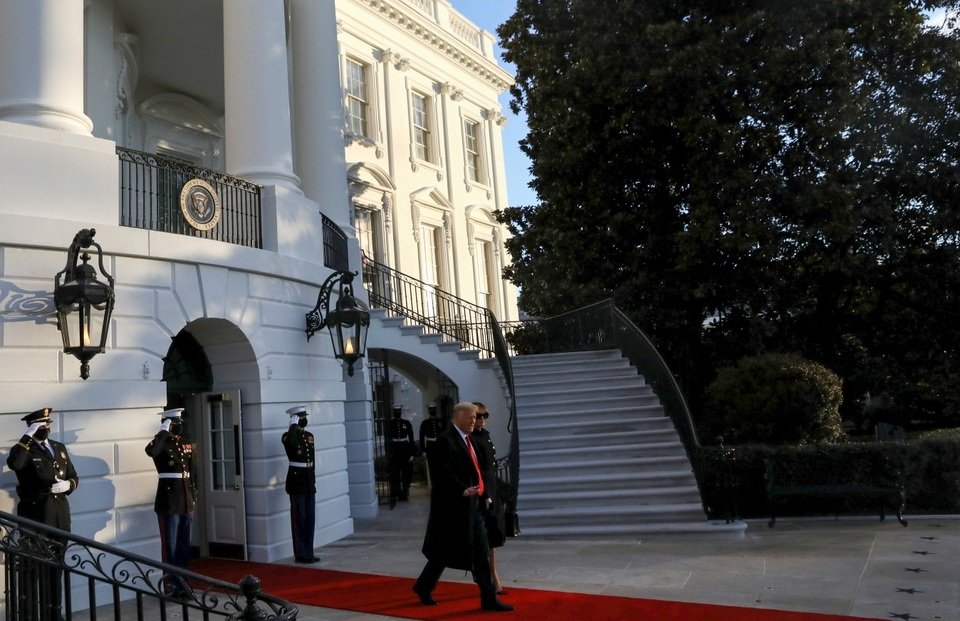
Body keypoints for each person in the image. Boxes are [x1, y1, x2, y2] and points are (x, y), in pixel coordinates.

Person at [413, 402, 513, 612]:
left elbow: (478, 470)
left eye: (475, 418)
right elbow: (442, 472)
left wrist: (484, 495)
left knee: (481, 552)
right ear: (458, 418)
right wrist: (461, 489)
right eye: (470, 418)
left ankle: (489, 599)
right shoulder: (444, 441)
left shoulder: (470, 440)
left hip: (474, 506)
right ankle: (424, 586)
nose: (474, 422)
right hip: (453, 510)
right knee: (442, 553)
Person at [7, 407, 78, 621]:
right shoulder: (24, 449)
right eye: (42, 424)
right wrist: (27, 436)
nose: (47, 427)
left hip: (59, 517)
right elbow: (15, 463)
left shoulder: (58, 447)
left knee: (56, 569)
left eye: (48, 423)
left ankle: (53, 614)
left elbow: (73, 475)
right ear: (33, 426)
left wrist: (68, 485)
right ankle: (29, 615)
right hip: (36, 517)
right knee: (31, 570)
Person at [145, 407, 196, 596]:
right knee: (171, 548)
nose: (179, 426)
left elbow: (191, 472)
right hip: (169, 501)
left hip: (185, 500)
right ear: (167, 423)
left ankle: (184, 584)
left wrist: (193, 496)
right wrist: (163, 431)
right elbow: (152, 451)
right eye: (175, 423)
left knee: (183, 547)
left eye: (180, 423)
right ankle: (171, 586)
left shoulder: (184, 443)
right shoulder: (160, 443)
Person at [472, 401, 507, 594]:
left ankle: (493, 576)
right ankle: (490, 578)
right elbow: (477, 469)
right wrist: (484, 493)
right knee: (483, 537)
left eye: (486, 416)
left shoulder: (485, 435)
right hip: (482, 489)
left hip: (492, 487)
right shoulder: (471, 438)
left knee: (492, 535)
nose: (483, 419)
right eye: (479, 416)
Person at [282, 405, 319, 563]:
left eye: (305, 416)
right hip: (297, 482)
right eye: (301, 417)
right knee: (299, 519)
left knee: (310, 518)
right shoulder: (287, 436)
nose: (305, 419)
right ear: (295, 418)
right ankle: (300, 553)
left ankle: (309, 552)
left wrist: (313, 479)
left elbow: (312, 460)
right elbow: (291, 442)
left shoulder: (309, 436)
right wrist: (293, 426)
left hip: (309, 481)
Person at [386, 405, 415, 503]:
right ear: (393, 412)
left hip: (404, 449)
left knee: (406, 473)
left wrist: (412, 453)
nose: (397, 413)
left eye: (398, 411)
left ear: (400, 412)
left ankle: (404, 493)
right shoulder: (390, 424)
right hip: (395, 449)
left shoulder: (406, 423)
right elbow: (388, 439)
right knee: (395, 474)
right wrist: (388, 452)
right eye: (395, 411)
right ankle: (397, 493)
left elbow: (411, 439)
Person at [418, 403, 446, 487]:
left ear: (436, 410)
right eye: (431, 409)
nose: (432, 411)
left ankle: (442, 486)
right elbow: (421, 437)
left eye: (434, 409)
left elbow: (446, 435)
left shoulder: (441, 421)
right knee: (432, 468)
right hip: (431, 447)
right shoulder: (425, 423)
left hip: (440, 446)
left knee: (442, 467)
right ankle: (435, 487)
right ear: (428, 411)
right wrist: (423, 450)